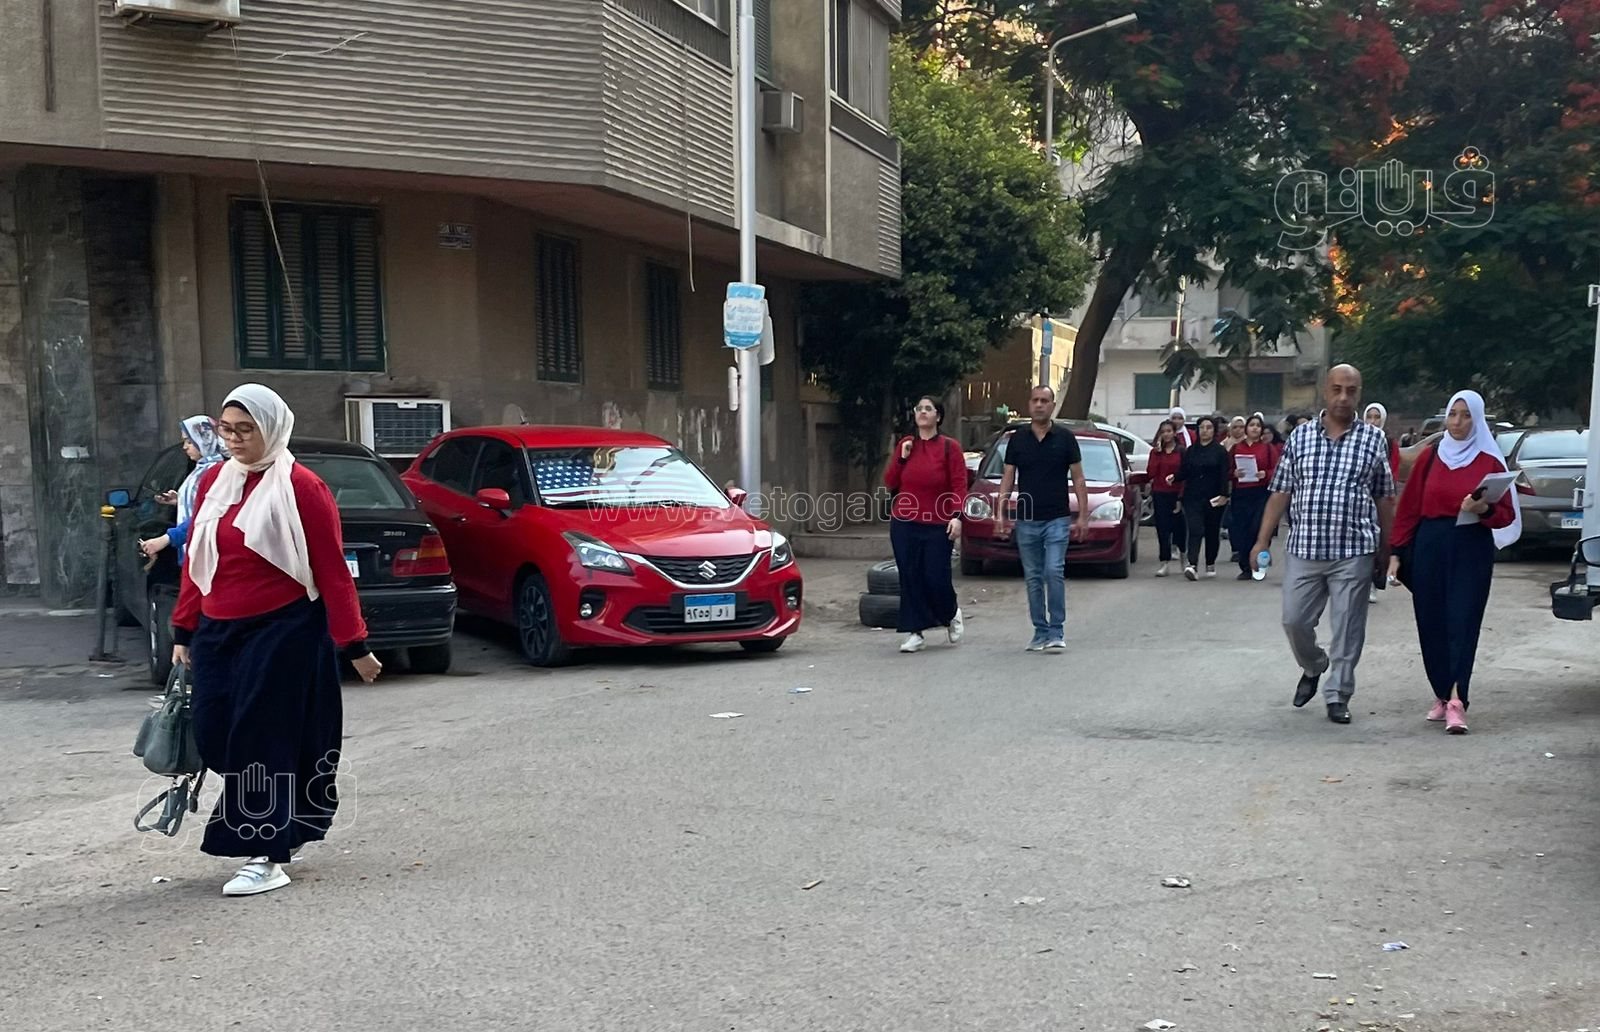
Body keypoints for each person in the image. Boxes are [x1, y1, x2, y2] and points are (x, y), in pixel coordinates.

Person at [171, 384, 382, 897]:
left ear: (272, 429)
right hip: (219, 629)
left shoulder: (303, 487)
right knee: (215, 732)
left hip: (284, 629)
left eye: (247, 430)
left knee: (261, 740)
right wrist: (184, 629)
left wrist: (354, 644)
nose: (235, 440)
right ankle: (287, 822)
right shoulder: (216, 480)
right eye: (227, 430)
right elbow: (198, 558)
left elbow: (332, 570)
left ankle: (266, 854)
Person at [1249, 365, 1397, 725]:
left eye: (1351, 390)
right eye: (1337, 389)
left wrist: (1387, 548)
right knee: (1294, 620)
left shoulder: (1373, 440)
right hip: (1306, 547)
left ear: (1359, 394)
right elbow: (1280, 491)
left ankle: (1338, 694)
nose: (1343, 397)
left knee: (1348, 627)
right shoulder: (1300, 438)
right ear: (1325, 392)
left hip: (1354, 550)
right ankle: (1314, 665)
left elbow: (1384, 497)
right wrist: (1261, 540)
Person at [1387, 390, 1522, 734]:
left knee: (1463, 620)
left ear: (1477, 420)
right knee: (1431, 621)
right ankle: (1441, 691)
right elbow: (1410, 508)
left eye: (1466, 415)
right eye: (1453, 414)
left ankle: (1458, 699)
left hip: (1470, 547)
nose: (1458, 422)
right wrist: (1396, 552)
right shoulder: (1431, 457)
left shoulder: (1489, 462)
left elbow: (1506, 514)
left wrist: (1483, 509)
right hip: (1430, 545)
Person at [994, 385, 1089, 651]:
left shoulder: (1065, 438)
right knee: (1033, 576)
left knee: (1053, 570)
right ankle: (1040, 631)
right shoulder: (1018, 439)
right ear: (1029, 404)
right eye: (1035, 400)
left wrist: (1083, 515)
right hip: (1026, 519)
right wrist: (1000, 513)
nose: (1039, 405)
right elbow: (1008, 478)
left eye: (1044, 400)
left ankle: (1057, 630)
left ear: (1052, 405)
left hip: (1057, 517)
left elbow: (1078, 478)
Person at [883, 396, 967, 654]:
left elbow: (959, 484)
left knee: (935, 577)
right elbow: (890, 481)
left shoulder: (949, 447)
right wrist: (902, 458)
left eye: (928, 409)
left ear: (938, 416)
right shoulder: (906, 445)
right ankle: (915, 632)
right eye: (919, 408)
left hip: (938, 522)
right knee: (910, 577)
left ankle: (951, 612)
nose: (922, 412)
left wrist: (957, 516)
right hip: (905, 521)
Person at [139, 416, 227, 564]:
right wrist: (180, 500)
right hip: (196, 549)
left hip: (207, 553)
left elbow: (207, 513)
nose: (184, 447)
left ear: (204, 439)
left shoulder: (215, 471)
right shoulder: (201, 468)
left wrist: (168, 538)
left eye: (189, 441)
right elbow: (201, 502)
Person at [1173, 415, 1229, 580]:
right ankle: (1192, 565)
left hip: (1214, 497)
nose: (1205, 431)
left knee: (1212, 531)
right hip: (1192, 497)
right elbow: (1184, 471)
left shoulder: (1220, 451)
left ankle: (1210, 562)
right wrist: (1174, 477)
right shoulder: (1191, 451)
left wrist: (1224, 495)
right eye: (1202, 427)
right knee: (1195, 529)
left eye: (1209, 428)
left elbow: (1224, 475)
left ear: (1214, 430)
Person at [1362, 402, 1404, 603]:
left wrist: (1387, 496)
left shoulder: (1388, 443)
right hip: (1361, 498)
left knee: (1379, 542)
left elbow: (1392, 470)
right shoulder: (1358, 439)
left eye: (1376, 417)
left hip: (1380, 498)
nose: (1373, 421)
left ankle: (1374, 583)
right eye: (1369, 416)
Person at [1228, 414, 1276, 580]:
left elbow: (1276, 469)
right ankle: (1246, 567)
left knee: (1258, 529)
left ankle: (1260, 565)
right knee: (1242, 530)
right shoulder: (1237, 448)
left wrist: (1265, 474)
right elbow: (1227, 470)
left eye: (1258, 425)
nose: (1255, 428)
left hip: (1260, 492)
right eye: (1252, 425)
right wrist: (1234, 473)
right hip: (1241, 493)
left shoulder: (1267, 448)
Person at [1146, 419, 1186, 578]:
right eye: (1163, 432)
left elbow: (1185, 475)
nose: (1166, 434)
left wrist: (1180, 497)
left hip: (1177, 493)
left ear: (1174, 433)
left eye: (1169, 431)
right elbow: (1151, 473)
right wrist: (1157, 453)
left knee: (1180, 528)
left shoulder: (1181, 451)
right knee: (1162, 529)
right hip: (1160, 493)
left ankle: (1184, 557)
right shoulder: (1155, 452)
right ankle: (1164, 562)